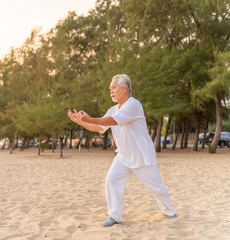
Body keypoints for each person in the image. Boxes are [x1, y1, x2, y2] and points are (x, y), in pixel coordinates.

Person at [67, 74, 176, 227]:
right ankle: (115, 216)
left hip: (141, 155)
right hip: (123, 156)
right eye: (109, 89)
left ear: (125, 88)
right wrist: (79, 121)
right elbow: (100, 127)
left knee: (156, 187)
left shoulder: (134, 104)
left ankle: (169, 211)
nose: (111, 91)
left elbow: (114, 121)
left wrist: (90, 118)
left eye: (114, 88)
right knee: (112, 179)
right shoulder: (112, 109)